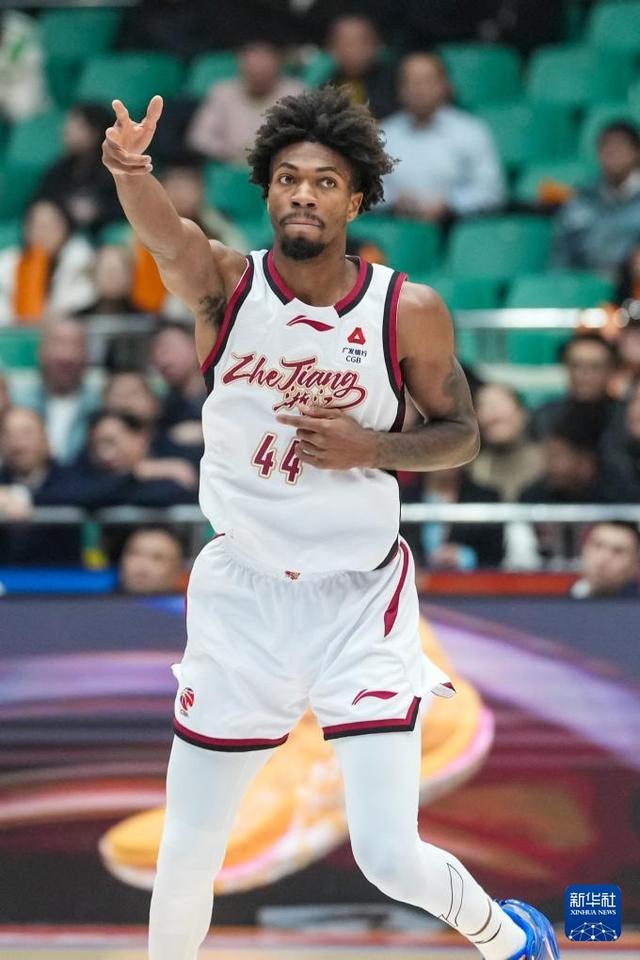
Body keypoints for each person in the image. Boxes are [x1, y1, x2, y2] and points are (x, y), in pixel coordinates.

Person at [102, 85, 558, 960]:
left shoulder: (407, 310)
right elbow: (166, 236)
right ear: (267, 193)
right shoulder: (226, 287)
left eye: (323, 181)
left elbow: (461, 434)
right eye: (286, 178)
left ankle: (510, 938)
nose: (302, 194)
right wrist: (130, 171)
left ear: (355, 201)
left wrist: (370, 447)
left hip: (359, 602)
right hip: (242, 596)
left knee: (387, 855)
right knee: (189, 847)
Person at [381, 52, 506, 222]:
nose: (418, 89)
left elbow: (492, 190)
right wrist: (393, 199)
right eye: (410, 81)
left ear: (445, 85)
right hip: (397, 223)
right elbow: (366, 188)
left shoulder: (471, 131)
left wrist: (450, 203)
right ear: (399, 89)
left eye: (427, 81)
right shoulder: (385, 134)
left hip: (457, 224)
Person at [187, 40, 305, 165]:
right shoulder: (222, 92)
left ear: (277, 65)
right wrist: (228, 152)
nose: (257, 74)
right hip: (228, 165)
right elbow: (199, 137)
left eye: (263, 70)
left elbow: (305, 136)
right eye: (252, 70)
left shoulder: (295, 92)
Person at [551, 122, 640, 278]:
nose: (612, 154)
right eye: (606, 147)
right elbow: (560, 258)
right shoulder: (579, 202)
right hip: (586, 287)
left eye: (620, 147)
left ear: (636, 152)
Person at [12, 316, 100, 464]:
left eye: (75, 345)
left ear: (88, 355)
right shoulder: (17, 404)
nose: (66, 356)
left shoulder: (100, 406)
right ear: (40, 352)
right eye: (58, 344)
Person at [0, 407, 81, 564]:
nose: (18, 443)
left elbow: (87, 495)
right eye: (8, 435)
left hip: (64, 570)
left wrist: (22, 497)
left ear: (46, 439)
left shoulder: (70, 477)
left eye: (26, 433)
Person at [0, 201, 96, 325]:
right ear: (27, 230)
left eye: (51, 226)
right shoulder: (7, 264)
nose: (45, 233)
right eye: (39, 226)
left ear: (65, 228)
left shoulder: (81, 261)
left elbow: (83, 299)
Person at [36, 103, 122, 234]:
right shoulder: (59, 168)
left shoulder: (115, 172)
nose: (66, 131)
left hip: (100, 237)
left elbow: (125, 211)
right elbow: (41, 201)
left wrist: (98, 212)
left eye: (76, 127)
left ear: (95, 133)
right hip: (62, 235)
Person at [402, 466, 504, 570]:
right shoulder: (402, 497)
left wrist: (467, 557)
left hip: (469, 578)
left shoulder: (486, 498)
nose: (445, 463)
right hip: (414, 578)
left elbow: (496, 557)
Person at [529, 333, 620, 448]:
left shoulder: (626, 419)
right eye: (576, 365)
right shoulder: (544, 417)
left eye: (595, 367)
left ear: (610, 371)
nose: (584, 374)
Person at [471, 383, 543, 501]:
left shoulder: (548, 464)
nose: (492, 412)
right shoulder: (471, 472)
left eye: (500, 403)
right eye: (483, 405)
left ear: (522, 413)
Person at [325, 14, 397, 120]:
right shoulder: (326, 85)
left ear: (374, 45)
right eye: (342, 41)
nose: (348, 49)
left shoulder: (394, 83)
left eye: (356, 41)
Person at [0, 9, 49, 121]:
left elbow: (34, 63)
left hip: (26, 83)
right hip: (5, 82)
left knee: (23, 106)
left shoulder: (22, 32)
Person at [570, 521, 640, 598]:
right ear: (583, 549)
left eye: (618, 551)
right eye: (597, 545)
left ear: (635, 564)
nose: (603, 559)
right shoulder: (565, 596)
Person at [119, 525, 186, 594]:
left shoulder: (187, 600)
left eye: (157, 557)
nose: (142, 565)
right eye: (135, 554)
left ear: (177, 570)